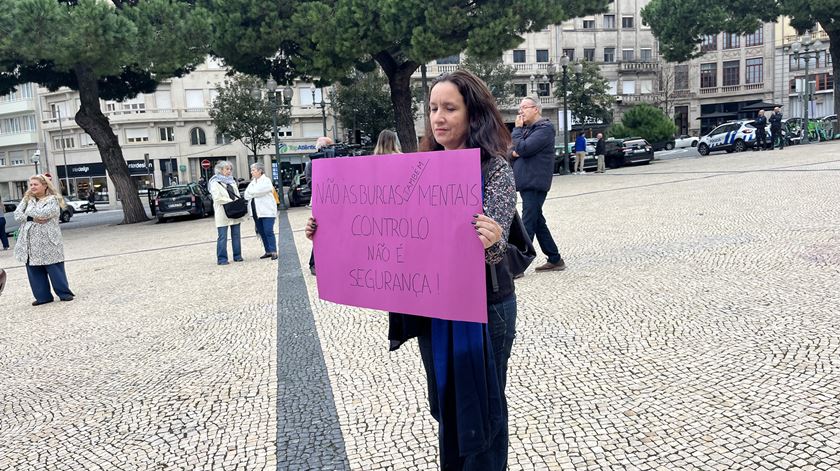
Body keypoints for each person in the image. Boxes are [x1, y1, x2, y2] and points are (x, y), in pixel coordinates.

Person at [306, 69, 516, 470]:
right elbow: (386, 231)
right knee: (445, 404)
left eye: (449, 108)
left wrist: (492, 242)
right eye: (433, 108)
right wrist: (327, 233)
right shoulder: (417, 170)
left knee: (483, 408)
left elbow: (498, 249)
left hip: (486, 309)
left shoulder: (495, 169)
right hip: (433, 308)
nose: (438, 117)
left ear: (473, 114)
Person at [510, 97, 567, 277]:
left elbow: (523, 149)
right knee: (538, 221)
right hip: (527, 182)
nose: (521, 111)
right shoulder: (528, 130)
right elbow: (511, 150)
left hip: (535, 182)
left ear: (536, 109)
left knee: (528, 223)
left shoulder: (544, 129)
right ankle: (555, 259)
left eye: (524, 107)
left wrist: (517, 133)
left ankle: (518, 265)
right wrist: (517, 148)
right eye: (519, 108)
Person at [13, 174, 74, 306]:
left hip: (48, 241)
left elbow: (45, 214)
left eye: (35, 184)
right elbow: (17, 215)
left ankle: (64, 293)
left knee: (54, 267)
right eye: (31, 185)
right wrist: (31, 218)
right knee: (34, 270)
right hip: (29, 242)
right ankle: (43, 297)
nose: (32, 187)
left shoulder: (53, 199)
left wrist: (27, 214)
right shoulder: (27, 199)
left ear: (45, 185)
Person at [208, 161, 245, 265]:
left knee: (236, 235)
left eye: (230, 169)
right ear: (220, 170)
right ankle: (222, 259)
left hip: (235, 211)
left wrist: (237, 202)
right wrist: (231, 201)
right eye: (227, 169)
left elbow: (237, 194)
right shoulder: (214, 183)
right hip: (222, 212)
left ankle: (237, 256)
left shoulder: (232, 182)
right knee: (222, 236)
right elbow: (217, 198)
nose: (229, 171)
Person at [244, 163, 277, 260]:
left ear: (260, 171)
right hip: (255, 212)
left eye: (253, 170)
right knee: (261, 232)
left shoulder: (266, 180)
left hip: (267, 211)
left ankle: (274, 251)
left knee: (268, 230)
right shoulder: (252, 183)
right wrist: (254, 193)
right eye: (251, 170)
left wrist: (253, 193)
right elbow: (246, 195)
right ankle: (268, 251)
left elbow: (260, 191)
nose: (251, 172)